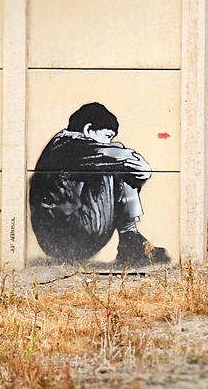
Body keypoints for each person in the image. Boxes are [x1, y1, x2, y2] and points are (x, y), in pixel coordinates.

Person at [29, 102, 170, 267]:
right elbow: (142, 169)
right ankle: (129, 237)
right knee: (115, 164)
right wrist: (119, 155)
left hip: (58, 234)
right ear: (88, 129)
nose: (108, 142)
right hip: (72, 233)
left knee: (114, 160)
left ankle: (130, 238)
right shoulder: (75, 147)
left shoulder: (61, 144)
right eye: (107, 136)